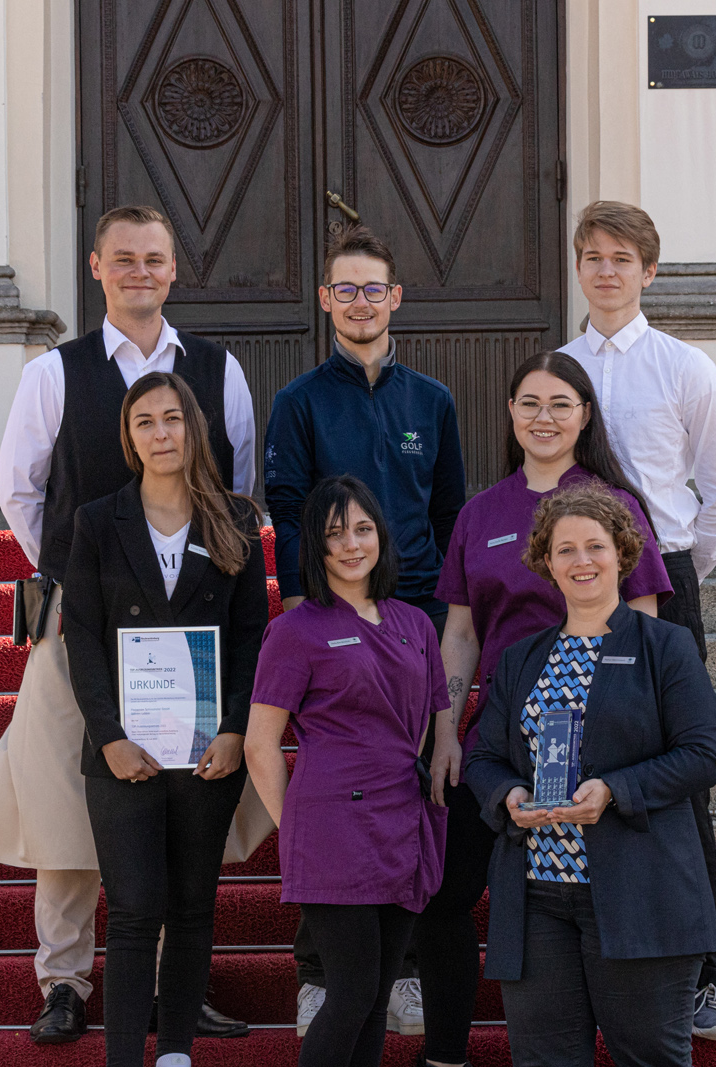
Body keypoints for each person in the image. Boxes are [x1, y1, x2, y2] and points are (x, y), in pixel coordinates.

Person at [0, 203, 255, 1043]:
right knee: (66, 799)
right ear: (96, 267)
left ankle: (177, 980)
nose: (140, 271)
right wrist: (74, 575)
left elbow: (235, 487)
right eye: (123, 257)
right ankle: (65, 981)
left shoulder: (217, 368)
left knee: (176, 790)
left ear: (174, 268)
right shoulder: (55, 372)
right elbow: (18, 488)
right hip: (80, 621)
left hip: (188, 629)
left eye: (154, 258)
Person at [417, 351, 675, 1067]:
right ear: (509, 413)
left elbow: (645, 619)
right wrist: (446, 730)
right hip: (502, 738)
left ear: (585, 415)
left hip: (602, 736)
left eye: (561, 403)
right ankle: (444, 1055)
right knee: (445, 895)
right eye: (529, 402)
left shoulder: (615, 504)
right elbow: (462, 631)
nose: (544, 417)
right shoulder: (481, 512)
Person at [264, 224, 465, 1034]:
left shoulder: (433, 402)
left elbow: (449, 511)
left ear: (396, 298)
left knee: (407, 785)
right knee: (334, 786)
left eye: (372, 288)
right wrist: (312, 607)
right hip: (332, 622)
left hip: (413, 617)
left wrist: (447, 620)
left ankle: (404, 966)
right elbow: (285, 511)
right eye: (343, 288)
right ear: (325, 299)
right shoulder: (299, 401)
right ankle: (321, 968)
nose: (358, 302)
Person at [558, 200, 716, 1041]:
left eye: (621, 259)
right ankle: (586, 961)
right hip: (570, 586)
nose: (605, 271)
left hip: (662, 579)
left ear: (649, 271)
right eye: (593, 256)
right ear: (579, 267)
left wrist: (671, 583)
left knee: (674, 780)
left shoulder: (684, 368)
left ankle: (711, 976)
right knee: (574, 765)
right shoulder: (555, 369)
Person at [463, 484, 716, 1067]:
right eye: (565, 550)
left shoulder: (666, 647)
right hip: (537, 898)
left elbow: (703, 754)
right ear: (546, 563)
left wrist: (614, 790)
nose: (581, 561)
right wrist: (509, 794)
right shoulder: (521, 658)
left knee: (649, 1059)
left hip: (642, 896)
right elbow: (483, 760)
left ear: (622, 553)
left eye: (595, 546)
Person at [61, 373, 269, 1067]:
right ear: (130, 436)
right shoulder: (97, 521)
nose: (161, 433)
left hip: (208, 751)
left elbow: (250, 637)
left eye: (173, 418)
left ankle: (175, 1052)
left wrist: (237, 728)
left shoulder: (235, 521)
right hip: (124, 753)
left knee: (189, 906)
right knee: (133, 908)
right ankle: (126, 1057)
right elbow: (82, 637)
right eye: (145, 421)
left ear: (193, 428)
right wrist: (109, 737)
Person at [244, 476, 450, 1067]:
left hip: (400, 821)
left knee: (376, 995)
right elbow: (261, 745)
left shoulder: (415, 624)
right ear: (316, 546)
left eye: (363, 529)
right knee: (353, 990)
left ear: (381, 535)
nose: (352, 545)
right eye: (336, 534)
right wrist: (299, 829)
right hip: (331, 827)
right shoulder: (293, 631)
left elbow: (423, 722)